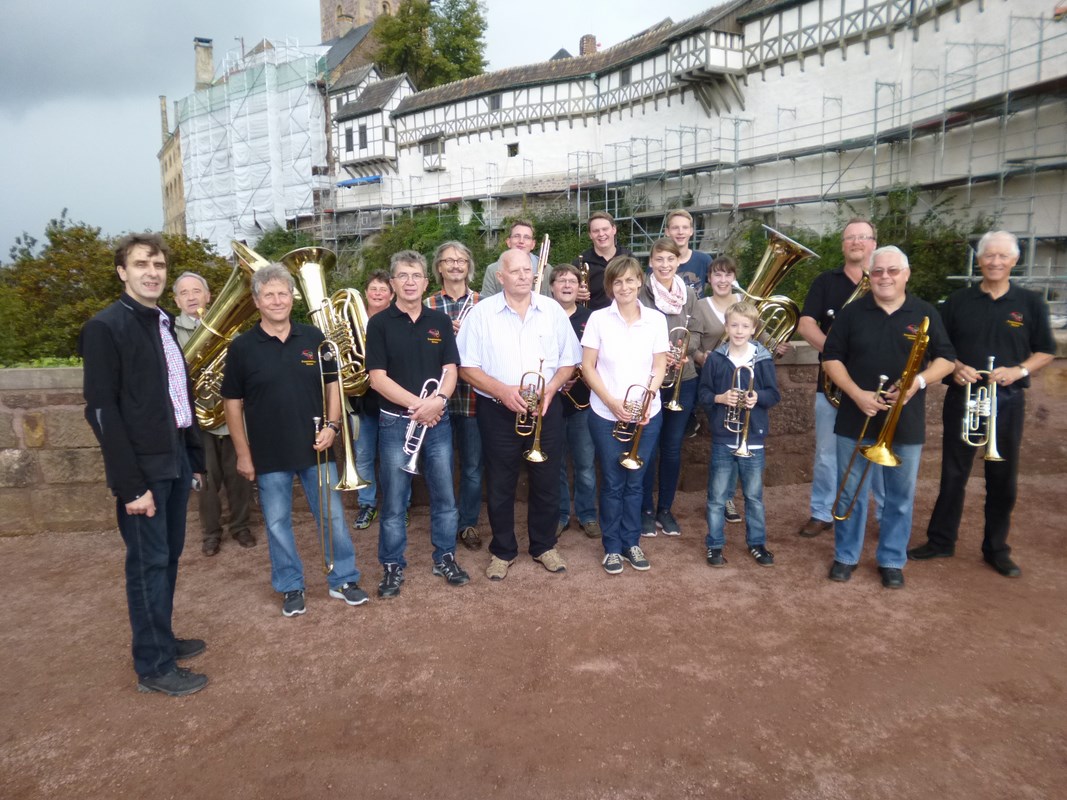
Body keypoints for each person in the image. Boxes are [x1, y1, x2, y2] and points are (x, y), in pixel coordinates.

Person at [79, 233, 208, 696]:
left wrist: (193, 457)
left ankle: (163, 639)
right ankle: (153, 667)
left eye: (157, 264)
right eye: (140, 265)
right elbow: (101, 410)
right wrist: (130, 486)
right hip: (142, 469)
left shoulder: (162, 323)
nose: (151, 272)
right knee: (147, 565)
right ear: (122, 272)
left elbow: (179, 396)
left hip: (171, 456)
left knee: (167, 557)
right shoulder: (106, 327)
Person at [221, 264, 369, 617]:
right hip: (268, 452)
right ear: (257, 301)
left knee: (332, 516)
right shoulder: (242, 348)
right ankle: (290, 586)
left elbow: (333, 385)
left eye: (283, 293)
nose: (277, 300)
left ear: (292, 297)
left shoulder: (314, 338)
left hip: (316, 448)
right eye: (269, 294)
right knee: (276, 523)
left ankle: (343, 579)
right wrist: (243, 454)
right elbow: (232, 404)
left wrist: (333, 426)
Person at [909, 231, 1056, 578]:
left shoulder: (1031, 303)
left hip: (1007, 400)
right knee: (953, 474)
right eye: (989, 256)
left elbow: (1046, 350)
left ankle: (996, 548)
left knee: (1002, 477)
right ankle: (941, 540)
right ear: (979, 260)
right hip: (964, 396)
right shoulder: (957, 301)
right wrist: (956, 368)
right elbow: (938, 348)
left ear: (1014, 261)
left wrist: (1018, 370)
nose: (995, 262)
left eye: (1003, 256)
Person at [822, 246, 955, 589]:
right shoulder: (852, 313)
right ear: (870, 275)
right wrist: (856, 394)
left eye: (892, 271)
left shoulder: (924, 312)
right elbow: (831, 358)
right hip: (856, 415)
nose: (884, 277)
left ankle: (892, 559)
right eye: (878, 271)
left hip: (905, 420)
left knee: (900, 496)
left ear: (905, 274)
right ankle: (846, 556)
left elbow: (947, 360)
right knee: (849, 490)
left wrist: (916, 382)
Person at [458, 248, 581, 580]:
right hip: (498, 410)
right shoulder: (481, 314)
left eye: (528, 270)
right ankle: (503, 550)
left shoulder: (552, 310)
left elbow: (570, 360)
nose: (524, 276)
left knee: (546, 479)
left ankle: (543, 546)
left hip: (545, 407)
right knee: (500, 482)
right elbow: (466, 367)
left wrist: (552, 388)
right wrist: (502, 391)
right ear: (501, 277)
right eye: (516, 271)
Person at [366, 250, 469, 598]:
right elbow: (377, 379)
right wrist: (419, 406)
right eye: (403, 276)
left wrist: (437, 402)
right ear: (393, 283)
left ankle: (445, 556)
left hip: (437, 422)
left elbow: (451, 370)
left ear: (426, 282)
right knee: (395, 502)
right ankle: (392, 565)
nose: (410, 282)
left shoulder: (439, 322)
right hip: (396, 423)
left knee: (445, 497)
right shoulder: (379, 324)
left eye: (416, 276)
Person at [796, 218, 885, 538]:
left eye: (863, 237)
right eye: (850, 238)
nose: (857, 242)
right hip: (831, 385)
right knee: (826, 454)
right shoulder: (826, 282)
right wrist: (835, 354)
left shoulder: (885, 280)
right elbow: (806, 325)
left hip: (875, 385)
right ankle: (822, 512)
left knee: (876, 449)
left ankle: (882, 515)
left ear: (874, 243)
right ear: (843, 244)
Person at [581, 256, 668, 573]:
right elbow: (587, 367)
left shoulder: (657, 320)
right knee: (614, 481)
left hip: (648, 413)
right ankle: (612, 547)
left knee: (637, 481)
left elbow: (659, 366)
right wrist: (613, 402)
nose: (624, 286)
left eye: (630, 280)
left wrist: (647, 399)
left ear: (640, 282)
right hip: (606, 413)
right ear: (610, 286)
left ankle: (632, 543)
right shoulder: (598, 320)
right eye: (618, 281)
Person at [172, 271, 256, 556]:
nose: (192, 297)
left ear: (209, 296)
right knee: (205, 481)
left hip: (232, 415)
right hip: (198, 420)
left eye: (197, 291)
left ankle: (241, 526)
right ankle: (210, 533)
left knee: (240, 476)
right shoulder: (171, 332)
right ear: (176, 300)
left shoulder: (233, 330)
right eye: (185, 293)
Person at [700, 301, 781, 568]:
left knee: (754, 497)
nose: (738, 330)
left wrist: (757, 397)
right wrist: (720, 398)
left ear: (753, 329)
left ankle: (757, 543)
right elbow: (703, 395)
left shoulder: (763, 358)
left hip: (753, 438)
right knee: (716, 497)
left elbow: (774, 394)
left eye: (745, 326)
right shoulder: (716, 359)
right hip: (724, 437)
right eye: (734, 325)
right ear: (726, 326)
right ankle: (714, 545)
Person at [638, 238, 699, 537]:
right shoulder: (640, 291)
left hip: (683, 378)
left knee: (672, 449)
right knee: (647, 447)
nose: (664, 265)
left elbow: (696, 331)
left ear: (678, 262)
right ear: (651, 262)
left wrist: (685, 350)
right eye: (659, 259)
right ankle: (646, 509)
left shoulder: (689, 294)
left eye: (670, 260)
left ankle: (666, 509)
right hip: (651, 377)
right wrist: (663, 355)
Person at [426, 242, 485, 551]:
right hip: (440, 399)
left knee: (473, 468)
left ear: (468, 266)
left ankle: (468, 524)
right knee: (442, 468)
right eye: (449, 260)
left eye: (461, 260)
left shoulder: (483, 303)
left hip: (475, 397)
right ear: (439, 267)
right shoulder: (427, 305)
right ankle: (445, 522)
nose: (455, 265)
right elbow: (420, 352)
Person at [690, 255, 745, 524]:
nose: (722, 280)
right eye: (717, 275)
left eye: (728, 275)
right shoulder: (700, 305)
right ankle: (720, 497)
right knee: (723, 441)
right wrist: (703, 358)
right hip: (713, 382)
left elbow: (760, 334)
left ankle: (727, 496)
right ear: (709, 279)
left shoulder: (745, 304)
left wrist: (778, 345)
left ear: (734, 278)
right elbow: (695, 345)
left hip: (742, 382)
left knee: (738, 440)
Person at [549, 263, 600, 539]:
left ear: (579, 287)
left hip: (583, 401)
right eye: (561, 281)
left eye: (571, 281)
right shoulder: (543, 316)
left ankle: (587, 514)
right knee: (554, 463)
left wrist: (575, 375)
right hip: (552, 402)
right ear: (552, 286)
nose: (566, 285)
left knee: (584, 463)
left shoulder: (591, 318)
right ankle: (560, 514)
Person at [352, 270, 395, 530]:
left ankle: (399, 505)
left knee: (396, 458)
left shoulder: (396, 320)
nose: (378, 293)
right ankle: (367, 504)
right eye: (374, 288)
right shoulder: (352, 321)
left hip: (392, 399)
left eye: (383, 289)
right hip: (361, 399)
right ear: (366, 292)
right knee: (363, 456)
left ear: (391, 295)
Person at [572, 211, 634, 311]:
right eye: (596, 231)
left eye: (605, 229)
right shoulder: (580, 263)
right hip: (592, 321)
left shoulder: (629, 258)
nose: (601, 234)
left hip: (625, 319)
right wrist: (574, 294)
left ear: (614, 229)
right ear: (590, 235)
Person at [480, 219, 549, 297]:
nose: (521, 241)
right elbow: (486, 303)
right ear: (508, 242)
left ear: (533, 244)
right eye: (516, 236)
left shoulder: (546, 269)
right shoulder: (493, 270)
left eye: (527, 237)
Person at [665, 209, 710, 298]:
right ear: (667, 232)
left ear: (691, 231)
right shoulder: (659, 265)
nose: (680, 232)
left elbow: (721, 285)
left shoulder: (704, 261)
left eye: (685, 227)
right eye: (675, 228)